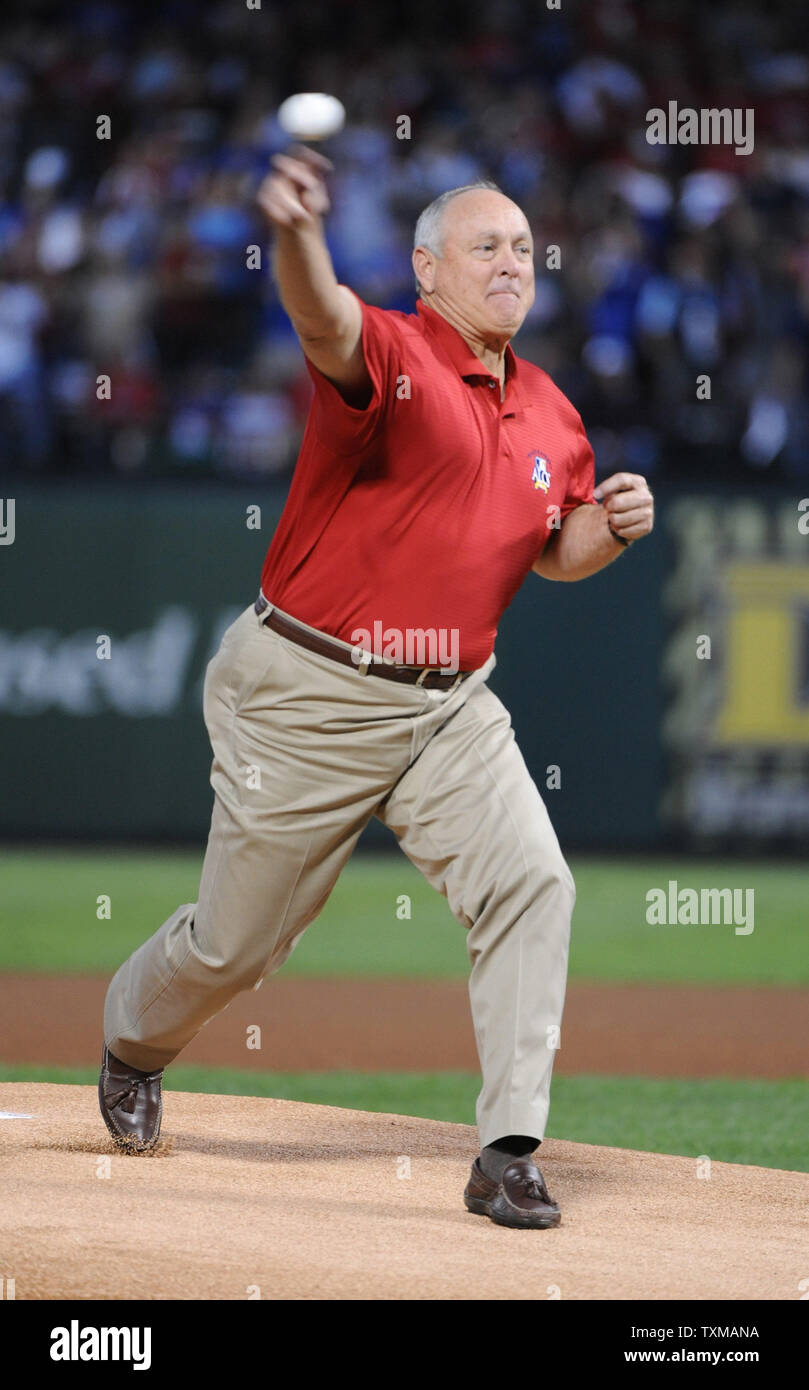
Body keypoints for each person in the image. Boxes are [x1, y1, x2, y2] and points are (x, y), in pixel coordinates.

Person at [99, 147, 654, 1230]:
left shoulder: (549, 411)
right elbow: (321, 320)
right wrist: (300, 235)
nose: (510, 261)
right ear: (424, 266)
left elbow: (554, 549)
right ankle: (132, 1038)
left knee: (532, 882)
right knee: (238, 944)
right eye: (483, 244)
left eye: (523, 248)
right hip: (308, 688)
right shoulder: (391, 356)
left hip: (451, 702)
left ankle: (504, 1151)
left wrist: (606, 527)